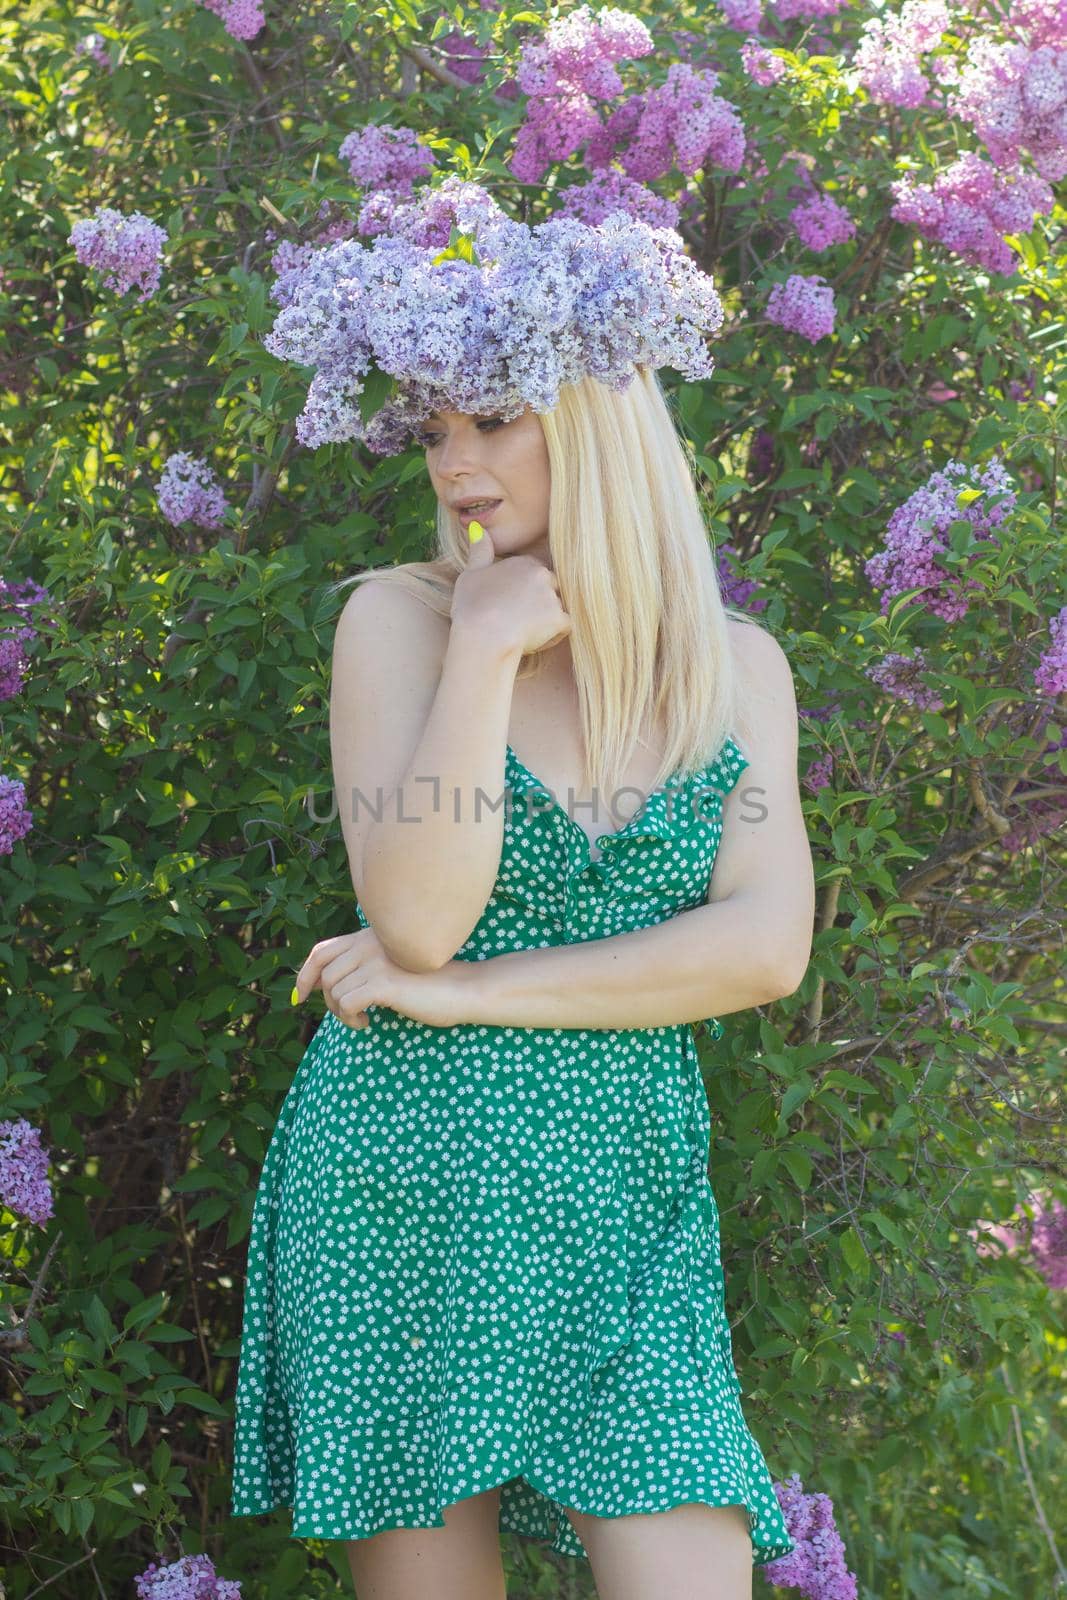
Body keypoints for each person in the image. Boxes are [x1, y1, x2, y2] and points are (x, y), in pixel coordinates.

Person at [230, 189, 815, 1600]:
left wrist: (467, 994)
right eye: (434, 430)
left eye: (493, 420)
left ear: (601, 421)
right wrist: (485, 654)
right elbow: (416, 912)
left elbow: (763, 947)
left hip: (624, 1205)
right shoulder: (401, 624)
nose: (457, 466)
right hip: (405, 1183)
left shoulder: (735, 670)